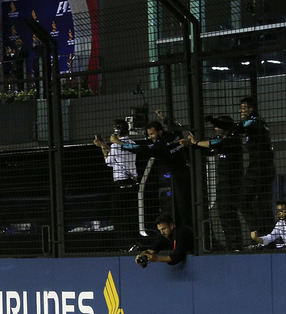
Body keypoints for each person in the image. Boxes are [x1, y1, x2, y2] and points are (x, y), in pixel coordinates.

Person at [116, 120, 191, 229]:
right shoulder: (174, 135)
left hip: (181, 179)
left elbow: (141, 149)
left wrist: (120, 143)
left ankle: (187, 232)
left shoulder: (159, 146)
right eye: (149, 134)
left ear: (160, 132)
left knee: (183, 209)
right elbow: (177, 127)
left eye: (152, 134)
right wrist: (165, 117)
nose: (150, 137)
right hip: (188, 173)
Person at [185, 116, 245, 251]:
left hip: (231, 182)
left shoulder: (232, 140)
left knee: (228, 211)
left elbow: (213, 143)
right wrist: (193, 144)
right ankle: (231, 244)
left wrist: (196, 143)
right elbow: (208, 148)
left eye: (219, 126)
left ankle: (236, 245)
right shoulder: (223, 142)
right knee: (223, 212)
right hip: (223, 181)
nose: (216, 129)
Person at [232, 96, 276, 236]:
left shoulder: (254, 121)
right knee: (263, 205)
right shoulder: (259, 122)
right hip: (265, 169)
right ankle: (268, 238)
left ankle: (257, 231)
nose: (241, 111)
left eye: (244, 108)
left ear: (251, 109)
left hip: (258, 169)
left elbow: (238, 128)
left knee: (242, 200)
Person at [95, 119, 137, 241]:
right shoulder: (131, 143)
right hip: (132, 182)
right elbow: (117, 158)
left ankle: (129, 241)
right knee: (130, 213)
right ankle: (135, 240)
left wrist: (103, 146)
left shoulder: (115, 146)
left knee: (117, 213)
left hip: (121, 184)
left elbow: (108, 162)